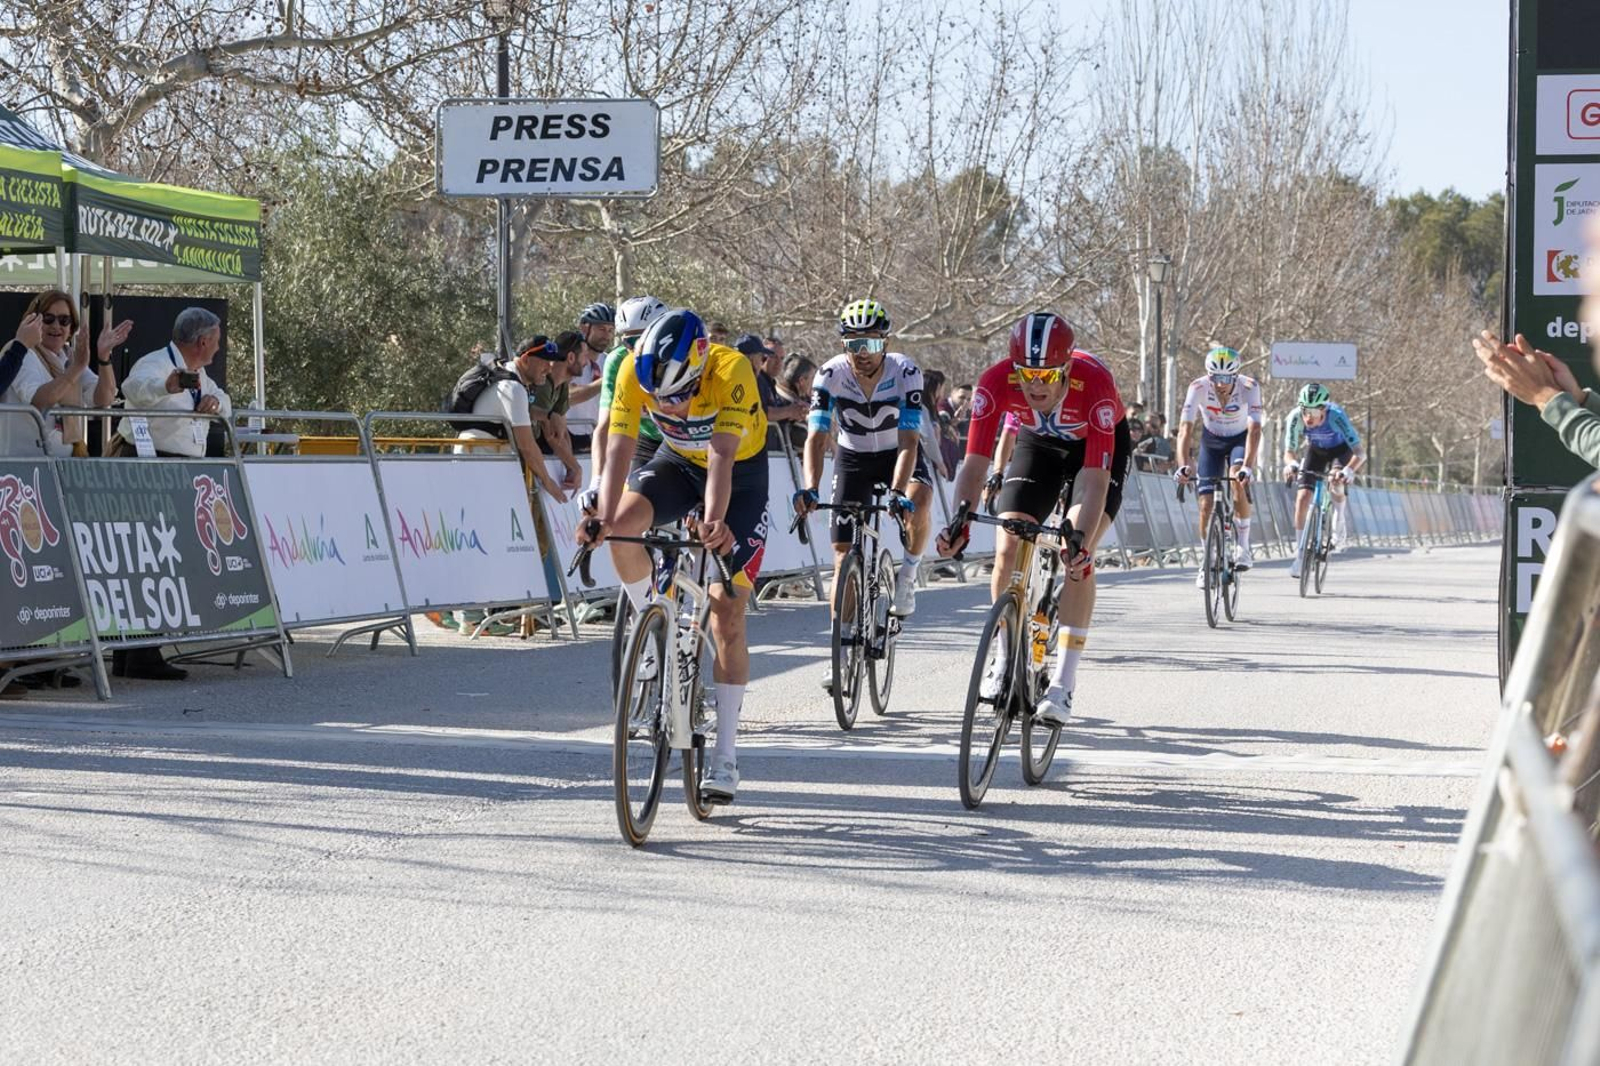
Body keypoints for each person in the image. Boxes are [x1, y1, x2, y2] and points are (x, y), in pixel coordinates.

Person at [579, 308, 770, 805]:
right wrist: (600, 512)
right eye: (662, 399)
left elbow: (724, 459)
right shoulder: (628, 369)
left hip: (740, 475)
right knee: (620, 528)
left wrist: (714, 523)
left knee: (726, 613)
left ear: (700, 362)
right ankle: (651, 622)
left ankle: (725, 755)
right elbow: (618, 446)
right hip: (678, 463)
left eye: (681, 395)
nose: (674, 406)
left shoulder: (732, 370)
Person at [935, 311, 1130, 729]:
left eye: (1047, 375)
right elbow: (974, 464)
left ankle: (1063, 683)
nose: (1035, 384)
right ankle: (1005, 660)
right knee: (1008, 541)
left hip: (1091, 453)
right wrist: (960, 521)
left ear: (1066, 368)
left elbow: (1095, 480)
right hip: (1037, 444)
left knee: (1079, 554)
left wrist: (1079, 539)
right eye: (1027, 373)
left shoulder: (1093, 384)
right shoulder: (994, 381)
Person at [795, 298, 936, 652]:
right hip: (853, 457)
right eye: (855, 343)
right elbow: (815, 437)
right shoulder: (829, 375)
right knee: (843, 555)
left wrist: (898, 491)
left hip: (897, 453)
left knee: (919, 502)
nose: (863, 352)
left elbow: (908, 441)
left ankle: (907, 575)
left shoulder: (905, 372)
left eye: (871, 343)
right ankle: (841, 647)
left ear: (885, 343)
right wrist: (810, 487)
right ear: (844, 344)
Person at [1174, 346, 1264, 583]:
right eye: (1215, 377)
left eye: (1225, 378)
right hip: (1211, 441)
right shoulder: (1198, 387)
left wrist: (1248, 466)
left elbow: (1255, 430)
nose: (1220, 383)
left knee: (1236, 478)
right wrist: (1183, 465)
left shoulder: (1250, 387)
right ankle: (1207, 561)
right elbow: (1185, 429)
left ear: (1235, 376)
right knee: (1205, 505)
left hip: (1239, 439)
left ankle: (1243, 548)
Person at [453, 333, 573, 502]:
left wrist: (548, 415)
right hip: (478, 455)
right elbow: (527, 446)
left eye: (552, 362)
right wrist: (548, 481)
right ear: (525, 360)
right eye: (545, 361)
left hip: (483, 455)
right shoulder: (513, 388)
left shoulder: (510, 378)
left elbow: (523, 411)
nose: (549, 368)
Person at [17, 291, 132, 457]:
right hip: (26, 462)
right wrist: (76, 368)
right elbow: (39, 402)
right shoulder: (23, 352)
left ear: (71, 328)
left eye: (64, 320)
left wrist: (104, 357)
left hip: (63, 461)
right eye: (48, 318)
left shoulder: (69, 357)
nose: (56, 326)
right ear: (34, 321)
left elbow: (103, 398)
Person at [583, 295, 669, 512]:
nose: (633, 350)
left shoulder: (682, 354)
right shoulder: (618, 360)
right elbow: (604, 428)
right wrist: (597, 481)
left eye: (639, 340)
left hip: (690, 441)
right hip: (648, 438)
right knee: (627, 510)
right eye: (627, 342)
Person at [117, 307, 230, 458]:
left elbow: (226, 403)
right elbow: (131, 388)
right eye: (216, 342)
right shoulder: (154, 363)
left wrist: (216, 402)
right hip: (148, 464)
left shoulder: (200, 373)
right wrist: (164, 387)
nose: (218, 348)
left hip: (185, 466)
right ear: (203, 343)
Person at [1282, 382, 1365, 578]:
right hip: (1316, 451)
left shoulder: (1336, 415)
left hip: (1340, 451)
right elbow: (1289, 452)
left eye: (1313, 411)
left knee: (1336, 482)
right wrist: (1292, 464)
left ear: (1323, 409)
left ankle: (1340, 517)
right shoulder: (1295, 417)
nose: (1308, 416)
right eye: (1305, 409)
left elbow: (1360, 452)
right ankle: (1300, 556)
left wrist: (1349, 470)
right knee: (1302, 498)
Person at [528, 331, 584, 495]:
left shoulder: (562, 385)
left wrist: (572, 467)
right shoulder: (543, 383)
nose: (588, 362)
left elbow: (562, 430)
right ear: (571, 358)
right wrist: (575, 467)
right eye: (585, 356)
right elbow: (551, 434)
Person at [564, 302, 614, 453]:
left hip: (599, 443)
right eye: (601, 329)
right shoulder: (569, 360)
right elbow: (566, 396)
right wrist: (607, 381)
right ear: (584, 328)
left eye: (611, 330)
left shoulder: (609, 362)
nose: (606, 336)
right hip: (568, 440)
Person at [773, 353, 816, 452]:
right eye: (812, 378)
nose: (814, 382)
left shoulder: (801, 398)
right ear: (801, 381)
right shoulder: (787, 402)